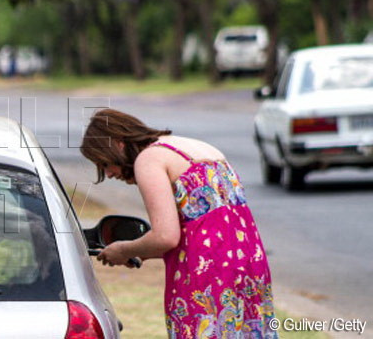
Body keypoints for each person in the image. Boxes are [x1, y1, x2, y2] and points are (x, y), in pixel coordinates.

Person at [80, 109, 278, 339]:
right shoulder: (200, 148)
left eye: (104, 163)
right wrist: (142, 253)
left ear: (118, 144)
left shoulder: (149, 159)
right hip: (250, 267)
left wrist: (123, 249)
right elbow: (207, 231)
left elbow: (165, 236)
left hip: (207, 279)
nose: (109, 173)